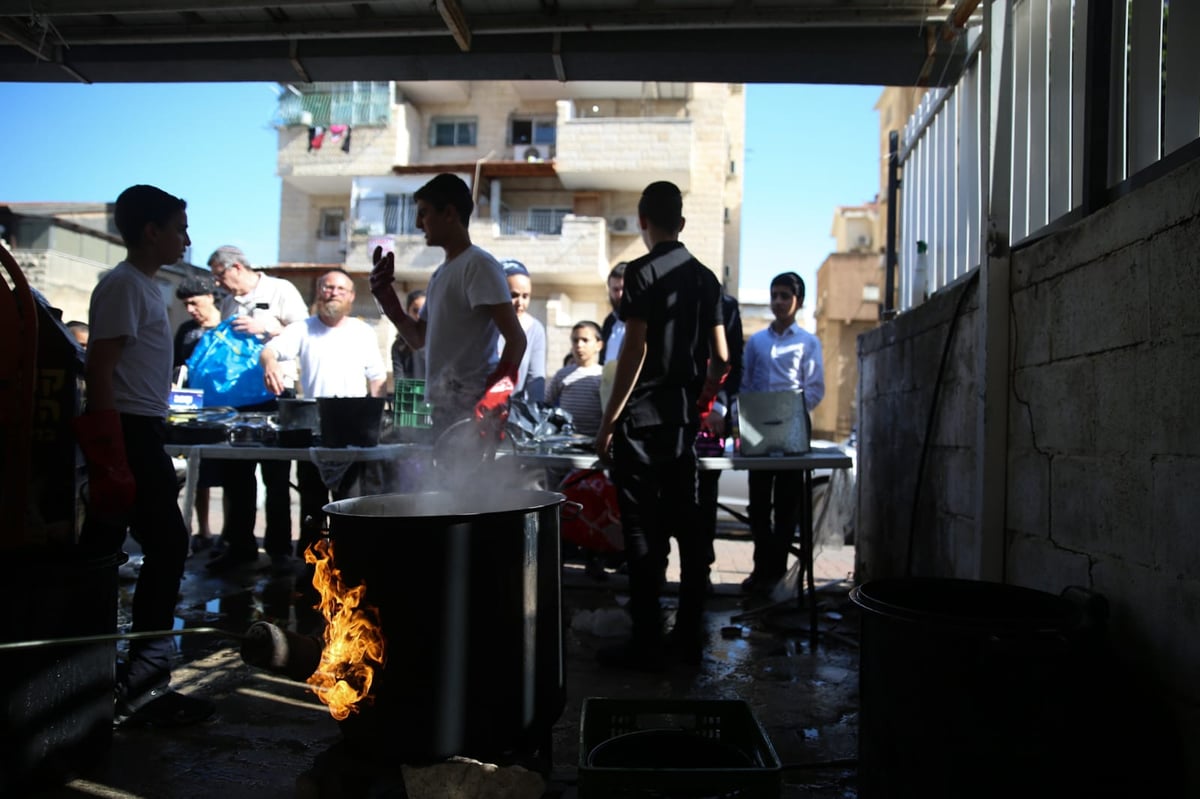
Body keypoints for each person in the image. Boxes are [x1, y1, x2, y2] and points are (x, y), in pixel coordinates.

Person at [72, 184, 214, 726]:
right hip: (126, 432)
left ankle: (97, 675)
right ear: (151, 231)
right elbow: (100, 369)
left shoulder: (147, 288)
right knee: (166, 545)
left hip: (139, 430)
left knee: (106, 550)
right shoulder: (124, 286)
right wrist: (111, 454)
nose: (187, 238)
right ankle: (142, 684)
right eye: (180, 227)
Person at [593, 181, 729, 671]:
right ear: (683, 223)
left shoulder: (641, 272)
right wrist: (698, 396)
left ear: (641, 220)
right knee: (688, 531)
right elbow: (722, 357)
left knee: (641, 534)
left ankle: (647, 642)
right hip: (680, 426)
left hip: (641, 425)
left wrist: (608, 421)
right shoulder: (707, 278)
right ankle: (689, 637)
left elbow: (634, 348)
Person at [369, 173, 526, 434]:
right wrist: (387, 298)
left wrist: (494, 397)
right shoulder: (441, 273)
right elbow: (419, 339)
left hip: (474, 412)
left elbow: (517, 339)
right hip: (443, 409)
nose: (419, 223)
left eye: (424, 213)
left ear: (450, 213)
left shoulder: (478, 265)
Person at [260, 268, 387, 567]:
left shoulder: (362, 332)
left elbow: (378, 379)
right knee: (312, 507)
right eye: (327, 287)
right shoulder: (302, 329)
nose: (333, 292)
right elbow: (270, 351)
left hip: (353, 434)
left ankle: (351, 565)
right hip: (314, 431)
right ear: (319, 292)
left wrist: (376, 421)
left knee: (350, 506)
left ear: (351, 297)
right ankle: (311, 568)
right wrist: (269, 364)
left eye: (340, 289)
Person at [206, 245, 309, 573]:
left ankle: (279, 549)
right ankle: (241, 546)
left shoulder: (281, 289)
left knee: (276, 473)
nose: (220, 284)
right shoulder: (227, 303)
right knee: (237, 472)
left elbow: (304, 330)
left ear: (236, 267)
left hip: (276, 390)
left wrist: (265, 329)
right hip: (237, 396)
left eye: (221, 276)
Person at [740, 271, 825, 595]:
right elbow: (747, 383)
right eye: (774, 295)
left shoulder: (808, 342)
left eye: (785, 296)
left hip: (793, 433)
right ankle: (761, 569)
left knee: (787, 508)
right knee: (758, 507)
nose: (778, 301)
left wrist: (791, 413)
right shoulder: (757, 342)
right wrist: (748, 417)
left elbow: (815, 388)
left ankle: (775, 574)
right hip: (758, 433)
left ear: (798, 301)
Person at [696, 292, 744, 592]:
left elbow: (732, 365)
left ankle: (702, 569)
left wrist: (717, 407)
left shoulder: (727, 312)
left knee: (705, 501)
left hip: (710, 428)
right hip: (679, 422)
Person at [171, 275, 223, 552]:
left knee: (230, 473)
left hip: (226, 409)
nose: (190, 309)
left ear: (211, 297)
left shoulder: (228, 327)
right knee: (196, 472)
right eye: (186, 304)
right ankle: (200, 529)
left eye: (194, 302)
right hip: (192, 409)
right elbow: (176, 368)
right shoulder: (186, 331)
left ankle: (228, 534)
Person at [497, 260, 546, 404]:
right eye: (514, 295)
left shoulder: (535, 329)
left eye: (526, 296)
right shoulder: (485, 324)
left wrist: (534, 414)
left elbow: (536, 379)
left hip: (514, 414)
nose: (520, 303)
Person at [546, 320, 604, 436]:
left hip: (594, 439)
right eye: (575, 340)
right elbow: (547, 403)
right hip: (565, 439)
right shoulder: (562, 374)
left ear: (599, 345)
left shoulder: (603, 375)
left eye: (585, 340)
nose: (579, 345)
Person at [390, 288, 426, 381]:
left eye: (424, 311)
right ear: (408, 312)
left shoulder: (441, 342)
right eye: (415, 310)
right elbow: (399, 381)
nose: (419, 316)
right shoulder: (399, 346)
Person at [598, 262, 626, 365]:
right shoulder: (609, 322)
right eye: (615, 289)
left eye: (624, 289)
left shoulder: (644, 321)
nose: (620, 294)